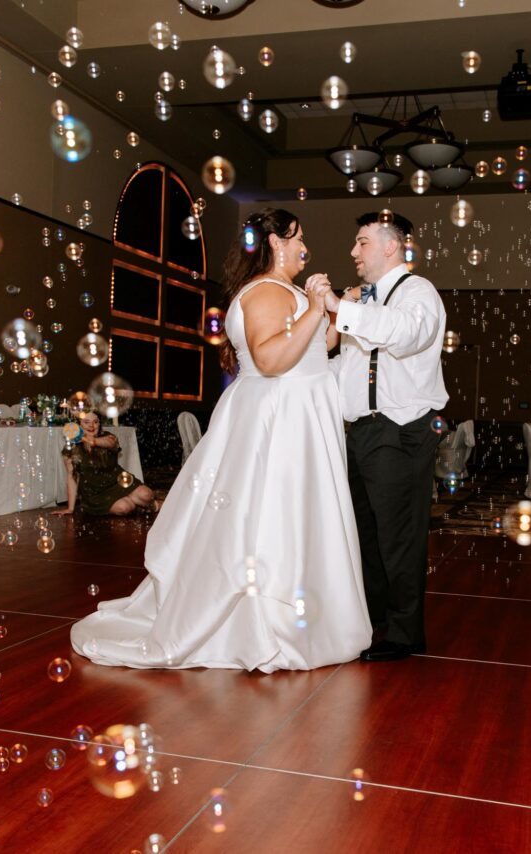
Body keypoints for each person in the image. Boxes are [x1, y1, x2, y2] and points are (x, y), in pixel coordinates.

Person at [70, 209, 371, 672]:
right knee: (271, 518)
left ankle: (304, 612)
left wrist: (334, 310)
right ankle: (265, 626)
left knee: (298, 515)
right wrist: (313, 309)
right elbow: (270, 360)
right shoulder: (265, 292)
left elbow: (315, 347)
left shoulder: (287, 291)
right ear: (275, 242)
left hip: (300, 415)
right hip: (279, 420)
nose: (304, 245)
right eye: (299, 237)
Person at [317, 212, 447, 662]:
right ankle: (375, 624)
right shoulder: (365, 303)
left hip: (402, 431)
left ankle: (406, 632)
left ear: (392, 246)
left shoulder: (417, 292)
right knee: (366, 536)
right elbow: (349, 370)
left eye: (362, 242)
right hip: (362, 433)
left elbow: (405, 335)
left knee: (399, 536)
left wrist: (340, 307)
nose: (353, 252)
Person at [53, 411, 154, 517]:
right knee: (125, 507)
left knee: (147, 495)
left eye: (95, 422)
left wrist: (90, 440)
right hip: (95, 493)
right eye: (86, 422)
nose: (91, 426)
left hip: (118, 480)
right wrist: (70, 508)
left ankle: (150, 505)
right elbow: (72, 477)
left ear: (99, 424)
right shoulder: (71, 449)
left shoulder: (108, 436)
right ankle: (137, 505)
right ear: (79, 424)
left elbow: (111, 443)